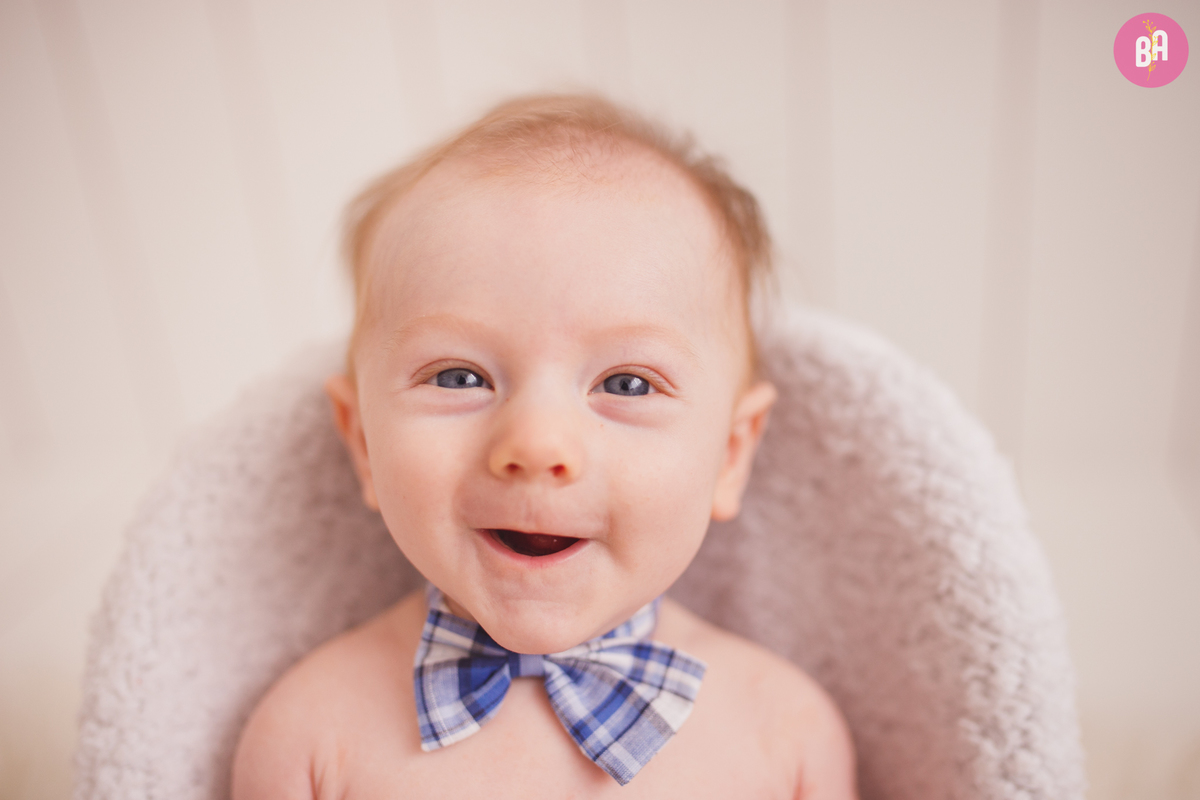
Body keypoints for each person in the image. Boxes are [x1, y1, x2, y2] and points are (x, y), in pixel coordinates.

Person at [231, 93, 858, 798]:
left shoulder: (784, 733)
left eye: (626, 383)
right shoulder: (312, 736)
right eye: (460, 376)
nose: (535, 444)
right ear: (365, 445)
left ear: (731, 454)